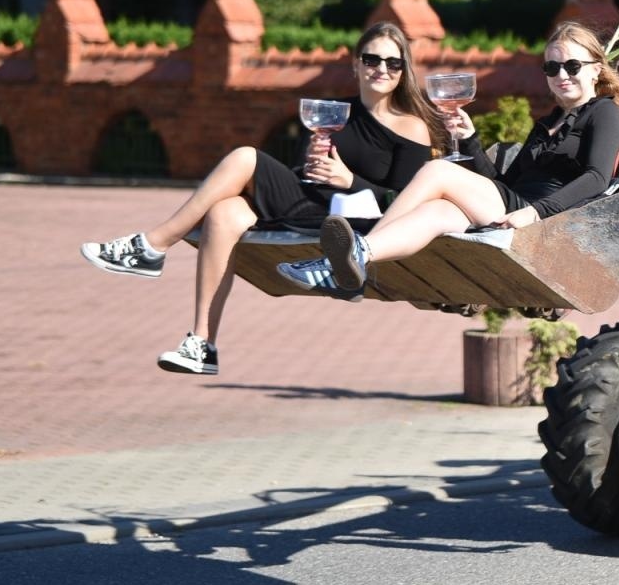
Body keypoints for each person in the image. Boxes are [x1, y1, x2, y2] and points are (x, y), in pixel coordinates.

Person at [80, 23, 445, 374]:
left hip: (349, 224)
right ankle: (201, 344)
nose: (382, 69)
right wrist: (310, 160)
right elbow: (304, 173)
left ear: (403, 71)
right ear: (355, 64)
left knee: (245, 157)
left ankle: (154, 244)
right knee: (223, 213)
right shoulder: (334, 112)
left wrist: (350, 181)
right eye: (372, 59)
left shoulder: (411, 125)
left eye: (393, 62)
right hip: (308, 202)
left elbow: (405, 201)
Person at [276, 21, 619, 296]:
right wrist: (470, 139)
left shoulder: (602, 112)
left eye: (572, 66)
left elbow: (597, 178)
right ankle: (353, 262)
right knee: (436, 212)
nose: (562, 75)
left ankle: (346, 261)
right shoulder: (546, 123)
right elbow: (503, 185)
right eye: (552, 68)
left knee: (437, 170)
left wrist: (535, 212)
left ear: (596, 69)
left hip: (544, 220)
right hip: (512, 206)